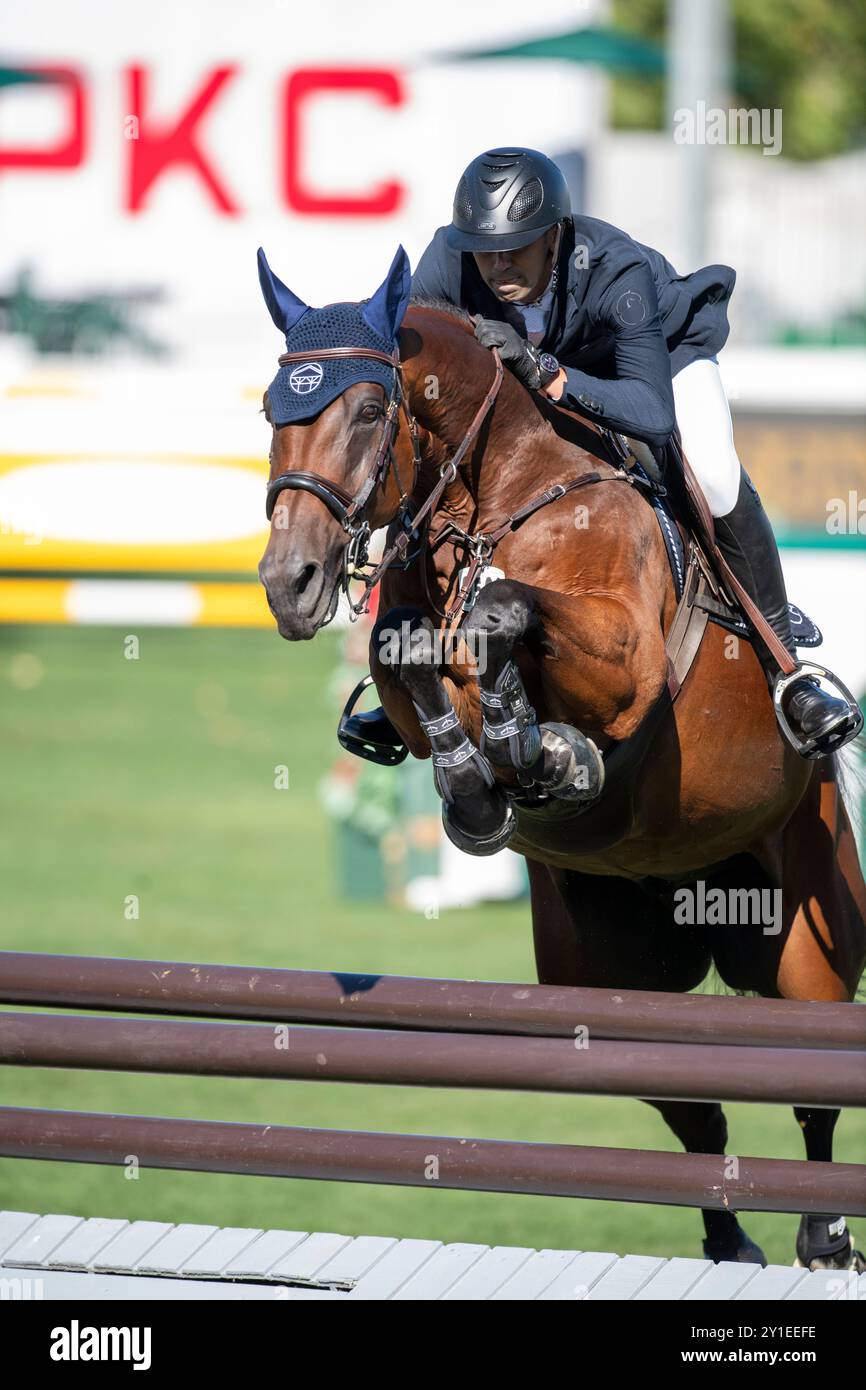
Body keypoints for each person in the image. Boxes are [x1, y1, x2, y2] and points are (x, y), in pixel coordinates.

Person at [405, 146, 861, 757]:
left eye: (518, 245)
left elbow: (650, 415)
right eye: (486, 249)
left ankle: (787, 666)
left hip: (658, 364)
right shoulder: (448, 263)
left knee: (714, 473)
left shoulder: (615, 270)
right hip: (538, 375)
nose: (498, 263)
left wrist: (545, 373)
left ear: (556, 236)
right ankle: (407, 680)